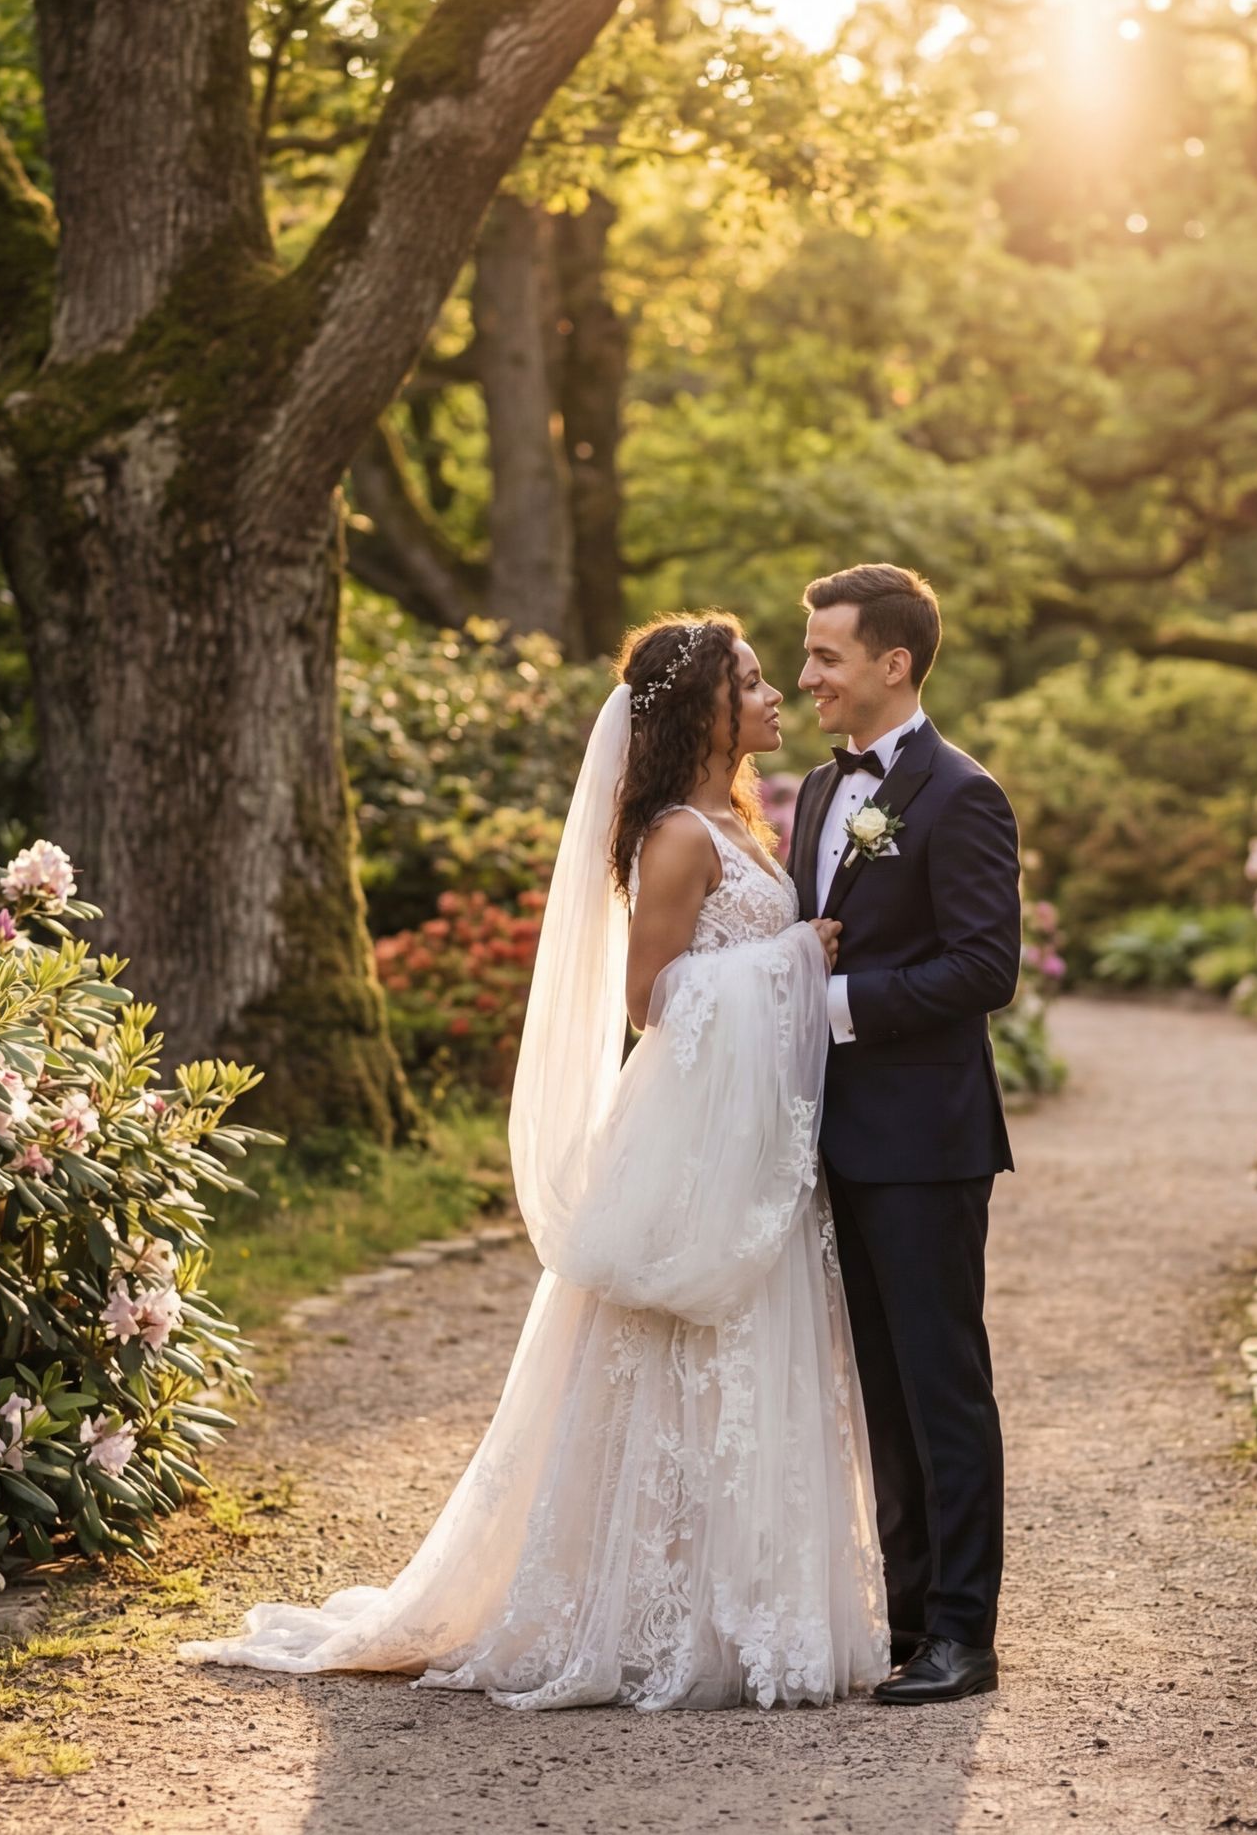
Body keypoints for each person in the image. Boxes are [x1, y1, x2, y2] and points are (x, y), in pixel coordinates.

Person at [177, 613, 890, 1710]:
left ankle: (734, 1599)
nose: (776, 695)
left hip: (748, 1142)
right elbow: (650, 1000)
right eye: (752, 682)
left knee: (745, 1363)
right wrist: (794, 957)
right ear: (706, 708)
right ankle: (640, 1606)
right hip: (688, 1141)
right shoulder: (675, 836)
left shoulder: (740, 822)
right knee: (661, 1367)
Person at [790, 563, 1020, 1705]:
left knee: (942, 1384)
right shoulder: (824, 792)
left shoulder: (961, 794)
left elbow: (987, 968)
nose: (807, 676)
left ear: (894, 662)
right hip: (836, 1136)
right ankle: (913, 1616)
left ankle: (966, 1636)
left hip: (927, 1141)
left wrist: (833, 1008)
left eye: (827, 655)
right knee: (878, 1388)